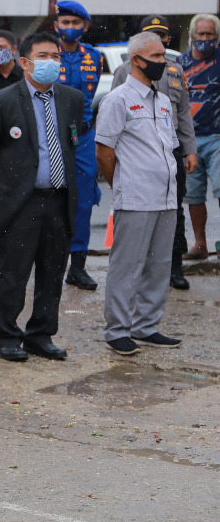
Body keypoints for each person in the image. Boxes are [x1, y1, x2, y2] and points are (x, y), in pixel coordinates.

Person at [0, 32, 84, 363]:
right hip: (20, 202)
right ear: (24, 62)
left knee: (52, 273)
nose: (51, 62)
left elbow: (71, 142)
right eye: (43, 56)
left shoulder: (72, 99)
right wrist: (15, 183)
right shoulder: (1, 101)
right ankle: (6, 336)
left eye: (55, 56)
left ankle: (41, 334)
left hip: (60, 199)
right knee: (11, 273)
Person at [96, 32, 182, 355]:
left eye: (164, 56)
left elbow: (168, 147)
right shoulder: (117, 100)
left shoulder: (162, 101)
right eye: (157, 57)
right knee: (127, 265)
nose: (163, 62)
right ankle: (117, 329)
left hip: (166, 196)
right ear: (136, 60)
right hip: (135, 197)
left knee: (159, 264)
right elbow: (104, 151)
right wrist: (122, 183)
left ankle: (146, 325)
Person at [111, 16, 198, 291]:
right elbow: (114, 119)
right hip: (138, 155)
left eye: (163, 36)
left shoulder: (175, 71)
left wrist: (191, 149)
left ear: (169, 39)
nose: (160, 40)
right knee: (139, 214)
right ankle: (138, 271)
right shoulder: (124, 71)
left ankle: (174, 267)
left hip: (171, 153)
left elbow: (183, 113)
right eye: (153, 35)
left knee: (174, 211)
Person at [51, 0, 103, 290]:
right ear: (56, 25)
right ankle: (49, 262)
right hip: (51, 134)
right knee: (49, 198)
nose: (70, 28)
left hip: (82, 137)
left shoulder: (94, 56)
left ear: (86, 26)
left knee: (83, 200)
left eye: (76, 23)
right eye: (65, 23)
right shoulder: (46, 55)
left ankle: (78, 266)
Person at [180, 14, 220, 259]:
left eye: (210, 35)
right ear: (192, 36)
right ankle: (200, 245)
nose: (205, 39)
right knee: (193, 196)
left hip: (217, 137)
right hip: (189, 140)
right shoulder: (179, 63)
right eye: (201, 34)